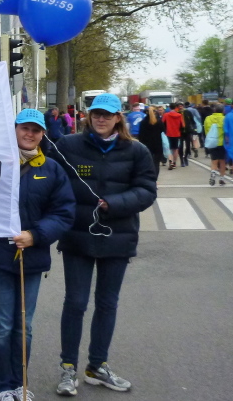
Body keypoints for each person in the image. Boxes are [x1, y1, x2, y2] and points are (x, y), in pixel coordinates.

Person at [50, 93, 157, 396]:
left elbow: (147, 190)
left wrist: (114, 203)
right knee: (75, 303)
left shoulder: (137, 151)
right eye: (96, 113)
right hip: (77, 236)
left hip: (118, 237)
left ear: (118, 117)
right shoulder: (68, 145)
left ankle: (97, 366)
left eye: (107, 114)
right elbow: (50, 178)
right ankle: (68, 368)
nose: (101, 119)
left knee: (107, 304)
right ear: (88, 115)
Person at [0, 109, 75, 401]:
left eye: (36, 130)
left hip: (32, 257)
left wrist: (35, 235)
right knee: (3, 325)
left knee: (24, 326)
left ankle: (20, 383)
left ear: (43, 134)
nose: (30, 134)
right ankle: (3, 387)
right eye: (25, 128)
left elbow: (64, 212)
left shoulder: (52, 169)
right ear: (14, 130)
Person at [137, 106, 165, 177]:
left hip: (146, 145)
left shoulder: (143, 122)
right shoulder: (159, 122)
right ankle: (155, 179)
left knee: (147, 163)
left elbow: (141, 135)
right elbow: (163, 131)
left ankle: (149, 177)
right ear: (155, 112)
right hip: (158, 144)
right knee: (156, 163)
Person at [204, 104, 226, 186]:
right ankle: (222, 178)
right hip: (222, 143)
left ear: (214, 110)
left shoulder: (208, 118)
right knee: (222, 161)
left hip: (212, 142)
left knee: (214, 161)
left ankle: (213, 172)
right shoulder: (225, 119)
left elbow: (206, 129)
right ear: (223, 110)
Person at [162, 103, 184, 170]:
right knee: (175, 149)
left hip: (168, 133)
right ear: (175, 107)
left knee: (168, 148)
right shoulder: (179, 115)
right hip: (177, 134)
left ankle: (170, 161)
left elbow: (162, 123)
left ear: (169, 107)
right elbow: (183, 125)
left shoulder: (166, 115)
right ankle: (174, 163)